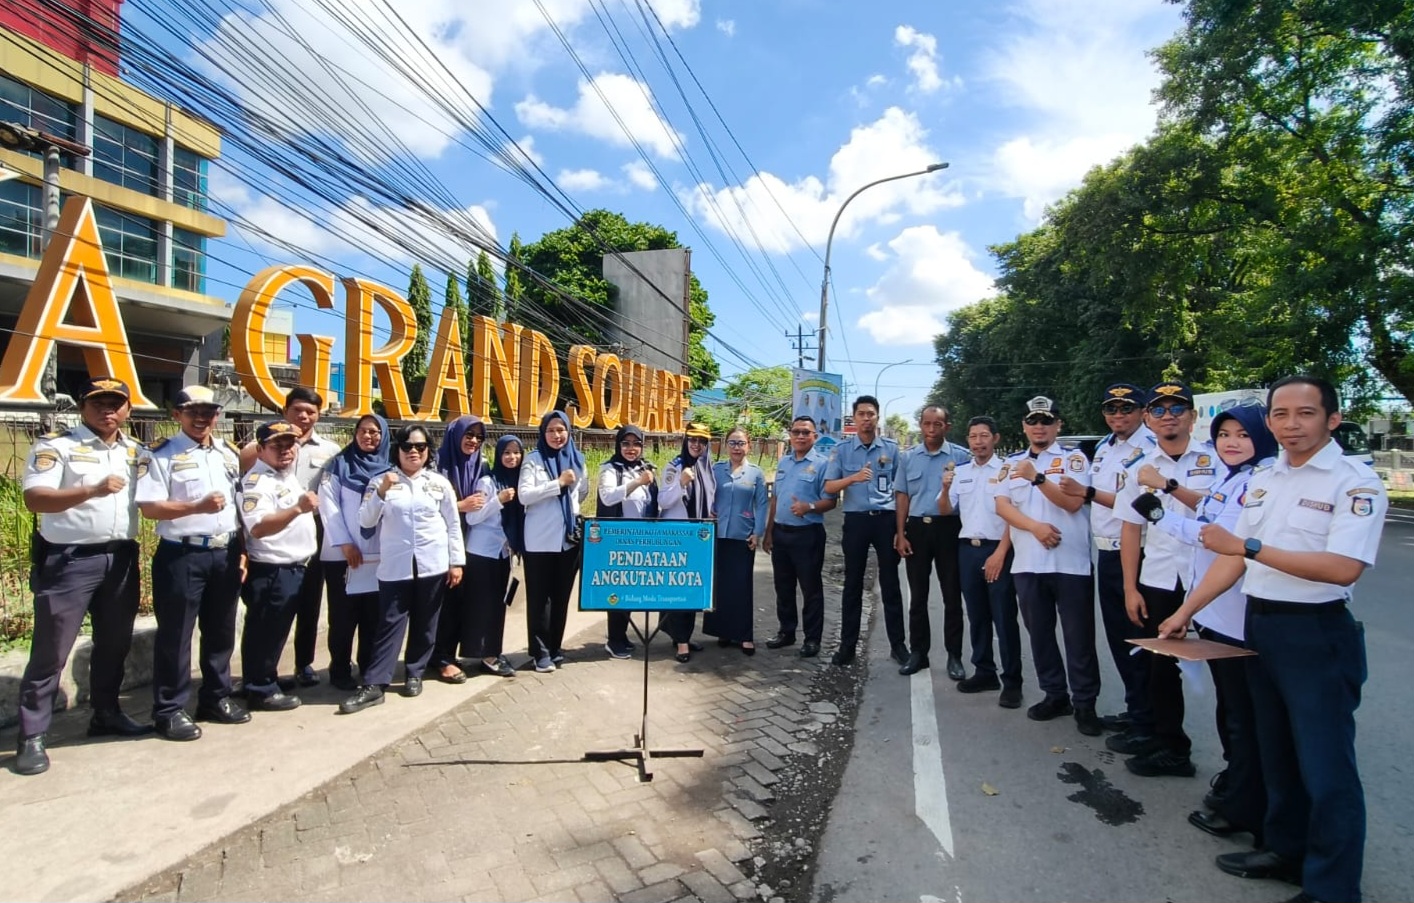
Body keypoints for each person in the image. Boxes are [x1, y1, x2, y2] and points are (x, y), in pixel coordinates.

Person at [1157, 376, 1387, 903]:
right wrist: (1187, 610)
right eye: (1280, 414)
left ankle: (1332, 887)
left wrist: (1252, 546)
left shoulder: (1353, 481)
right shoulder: (1266, 478)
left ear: (1331, 419)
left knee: (1327, 768)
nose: (1290, 425)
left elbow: (1343, 568)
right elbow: (1235, 557)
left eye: (1304, 414)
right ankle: (1285, 850)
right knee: (1276, 751)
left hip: (1316, 632)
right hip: (1261, 625)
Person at [1145, 402, 1276, 844]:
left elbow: (1230, 552)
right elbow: (1206, 530)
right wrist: (1161, 516)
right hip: (1217, 616)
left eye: (1243, 434)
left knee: (1243, 717)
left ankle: (1244, 805)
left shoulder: (1261, 482)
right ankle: (1237, 787)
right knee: (1232, 712)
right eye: (1224, 435)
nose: (1232, 442)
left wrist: (1183, 611)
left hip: (1239, 620)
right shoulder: (1230, 478)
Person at [13, 378, 150, 776]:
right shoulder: (57, 446)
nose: (107, 410)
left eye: (116, 403)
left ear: (127, 409)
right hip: (70, 561)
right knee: (52, 650)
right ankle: (32, 735)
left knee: (114, 643)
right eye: (98, 402)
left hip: (120, 558)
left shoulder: (136, 450)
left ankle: (106, 713)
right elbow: (35, 498)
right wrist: (90, 490)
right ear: (82, 406)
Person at [1114, 381, 1219, 777]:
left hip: (1211, 581)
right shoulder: (1138, 468)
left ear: (1192, 417)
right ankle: (1171, 747)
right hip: (1160, 576)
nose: (1168, 416)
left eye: (1177, 409)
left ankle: (1239, 769)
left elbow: (1220, 512)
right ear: (1148, 418)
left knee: (1226, 672)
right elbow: (1129, 528)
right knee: (1161, 670)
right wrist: (1130, 586)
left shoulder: (1217, 459)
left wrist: (1170, 487)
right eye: (1158, 410)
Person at [135, 385, 247, 741]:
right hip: (182, 554)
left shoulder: (227, 454)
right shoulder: (160, 454)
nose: (202, 418)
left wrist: (241, 549)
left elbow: (236, 507)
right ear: (177, 415)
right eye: (193, 411)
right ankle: (169, 709)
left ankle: (215, 697)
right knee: (176, 635)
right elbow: (149, 507)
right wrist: (196, 508)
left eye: (209, 411)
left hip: (223, 552)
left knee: (220, 632)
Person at [995, 395, 1102, 736]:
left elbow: (1073, 503)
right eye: (1033, 421)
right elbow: (1003, 507)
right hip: (1028, 562)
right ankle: (1055, 694)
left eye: (1046, 421)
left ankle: (1085, 703)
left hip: (1070, 563)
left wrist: (1039, 478)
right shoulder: (1010, 463)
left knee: (1078, 637)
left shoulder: (1074, 460)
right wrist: (1035, 528)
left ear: (1058, 425)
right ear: (1024, 426)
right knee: (1039, 634)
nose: (1039, 427)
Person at [340, 425, 464, 714]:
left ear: (428, 452)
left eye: (420, 447)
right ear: (397, 450)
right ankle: (375, 683)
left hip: (432, 563)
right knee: (389, 624)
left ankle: (415, 672)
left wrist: (456, 562)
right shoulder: (380, 481)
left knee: (426, 622)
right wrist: (382, 492)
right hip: (395, 566)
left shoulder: (438, 483)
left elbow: (453, 525)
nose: (413, 452)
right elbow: (366, 521)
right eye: (407, 446)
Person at [1059, 383, 1156, 738]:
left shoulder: (1151, 448)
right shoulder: (1103, 448)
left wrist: (1086, 493)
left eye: (1126, 409)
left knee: (1142, 639)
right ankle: (1137, 710)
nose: (1118, 416)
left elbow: (1141, 503)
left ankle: (1150, 720)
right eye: (1111, 410)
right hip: (1108, 551)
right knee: (1120, 639)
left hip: (1140, 550)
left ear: (1142, 411)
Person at [240, 386, 339, 688]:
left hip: (313, 532)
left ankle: (303, 664)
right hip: (272, 539)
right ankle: (261, 679)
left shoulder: (330, 450)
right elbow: (248, 503)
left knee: (309, 602)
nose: (304, 416)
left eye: (311, 411)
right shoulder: (255, 451)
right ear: (286, 411)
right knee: (271, 614)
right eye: (298, 410)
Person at [939, 415, 1023, 708]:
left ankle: (1012, 681)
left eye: (984, 435)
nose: (978, 441)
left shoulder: (1008, 470)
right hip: (967, 550)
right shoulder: (961, 471)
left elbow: (1014, 514)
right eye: (973, 436)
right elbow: (946, 509)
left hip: (998, 548)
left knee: (1003, 616)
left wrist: (1000, 553)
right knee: (976, 615)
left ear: (995, 439)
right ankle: (984, 670)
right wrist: (946, 488)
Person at [236, 421, 320, 712]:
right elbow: (258, 527)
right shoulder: (257, 482)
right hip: (273, 568)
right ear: (260, 450)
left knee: (272, 630)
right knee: (267, 631)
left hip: (291, 566)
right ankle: (261, 689)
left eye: (290, 444)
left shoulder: (283, 476)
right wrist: (298, 508)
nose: (286, 451)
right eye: (277, 446)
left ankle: (261, 677)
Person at [823, 395, 903, 667]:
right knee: (852, 585)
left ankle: (898, 645)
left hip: (885, 520)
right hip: (856, 520)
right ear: (854, 418)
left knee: (891, 584)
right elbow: (829, 487)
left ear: (877, 417)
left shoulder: (891, 449)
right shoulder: (843, 450)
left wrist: (900, 529)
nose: (866, 418)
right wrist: (853, 478)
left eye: (871, 414)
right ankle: (847, 647)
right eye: (861, 414)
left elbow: (902, 490)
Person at [894, 404, 971, 677]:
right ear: (920, 425)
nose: (931, 429)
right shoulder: (908, 458)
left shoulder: (962, 457)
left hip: (950, 529)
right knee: (918, 597)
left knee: (952, 596)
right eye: (926, 423)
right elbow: (902, 496)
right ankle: (918, 654)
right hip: (917, 529)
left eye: (937, 424)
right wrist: (901, 533)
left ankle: (954, 656)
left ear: (946, 427)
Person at [317, 414, 389, 692]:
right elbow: (329, 507)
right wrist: (345, 543)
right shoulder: (338, 466)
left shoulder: (390, 469)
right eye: (363, 431)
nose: (368, 437)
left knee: (374, 616)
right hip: (343, 557)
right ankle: (339, 669)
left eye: (375, 432)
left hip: (377, 557)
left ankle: (370, 667)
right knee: (343, 617)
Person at [518, 411, 588, 673]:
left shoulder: (577, 460)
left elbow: (579, 496)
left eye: (562, 430)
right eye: (551, 430)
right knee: (539, 600)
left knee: (561, 598)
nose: (557, 435)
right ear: (543, 433)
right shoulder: (533, 461)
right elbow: (524, 496)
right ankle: (540, 652)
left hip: (567, 542)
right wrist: (557, 483)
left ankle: (555, 647)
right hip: (539, 542)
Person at [762, 416, 835, 658]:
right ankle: (787, 632)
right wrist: (768, 532)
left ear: (815, 436)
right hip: (781, 534)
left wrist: (809, 507)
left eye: (806, 432)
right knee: (783, 587)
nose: (801, 436)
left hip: (808, 536)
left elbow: (831, 501)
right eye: (796, 432)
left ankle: (812, 639)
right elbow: (775, 500)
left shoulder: (823, 464)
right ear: (790, 435)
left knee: (810, 589)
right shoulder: (783, 462)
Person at [432, 415, 488, 684]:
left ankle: (447, 654)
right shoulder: (436, 465)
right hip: (438, 544)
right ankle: (439, 657)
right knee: (441, 603)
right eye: (469, 435)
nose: (474, 441)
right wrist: (460, 506)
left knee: (459, 602)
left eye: (479, 437)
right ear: (456, 435)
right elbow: (425, 507)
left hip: (472, 544)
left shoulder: (480, 466)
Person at [703, 428, 769, 654]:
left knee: (741, 587)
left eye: (741, 443)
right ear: (725, 445)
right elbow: (707, 495)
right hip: (718, 534)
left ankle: (744, 636)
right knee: (720, 586)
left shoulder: (756, 473)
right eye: (732, 443)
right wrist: (707, 512)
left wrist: (757, 532)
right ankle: (723, 631)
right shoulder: (716, 470)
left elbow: (761, 505)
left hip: (743, 535)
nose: (737, 448)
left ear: (748, 446)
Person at [595, 424, 658, 659]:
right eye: (626, 444)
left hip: (640, 538)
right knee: (617, 588)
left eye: (636, 444)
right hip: (617, 538)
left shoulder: (646, 468)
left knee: (630, 587)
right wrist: (637, 483)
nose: (631, 449)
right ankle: (614, 639)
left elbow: (651, 502)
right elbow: (608, 497)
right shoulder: (610, 469)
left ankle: (621, 636)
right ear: (618, 445)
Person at [462, 434, 522, 678]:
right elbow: (472, 517)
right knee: (483, 607)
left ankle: (493, 652)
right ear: (498, 455)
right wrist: (497, 501)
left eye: (516, 452)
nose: (511, 457)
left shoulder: (519, 482)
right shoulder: (487, 482)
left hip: (502, 553)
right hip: (481, 553)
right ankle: (486, 655)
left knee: (498, 605)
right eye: (506, 452)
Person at [659, 422, 715, 663]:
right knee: (678, 588)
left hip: (698, 538)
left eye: (702, 441)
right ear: (685, 441)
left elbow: (711, 499)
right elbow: (662, 501)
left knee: (692, 588)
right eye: (692, 440)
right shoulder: (675, 466)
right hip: (676, 537)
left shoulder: (707, 468)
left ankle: (683, 635)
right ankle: (681, 643)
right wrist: (680, 483)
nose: (696, 445)